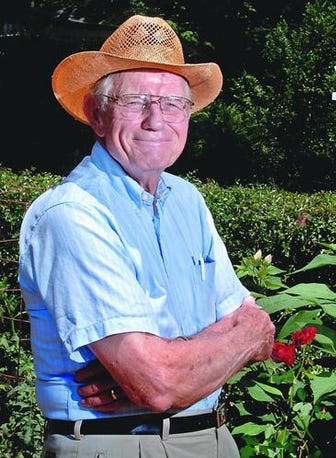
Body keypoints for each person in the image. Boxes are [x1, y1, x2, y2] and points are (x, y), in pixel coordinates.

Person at [18, 14, 275, 457]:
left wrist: (177, 364)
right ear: (97, 115)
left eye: (174, 104)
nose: (157, 120)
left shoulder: (187, 200)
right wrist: (175, 371)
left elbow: (261, 331)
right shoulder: (72, 214)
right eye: (137, 101)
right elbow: (159, 385)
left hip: (214, 438)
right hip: (117, 445)